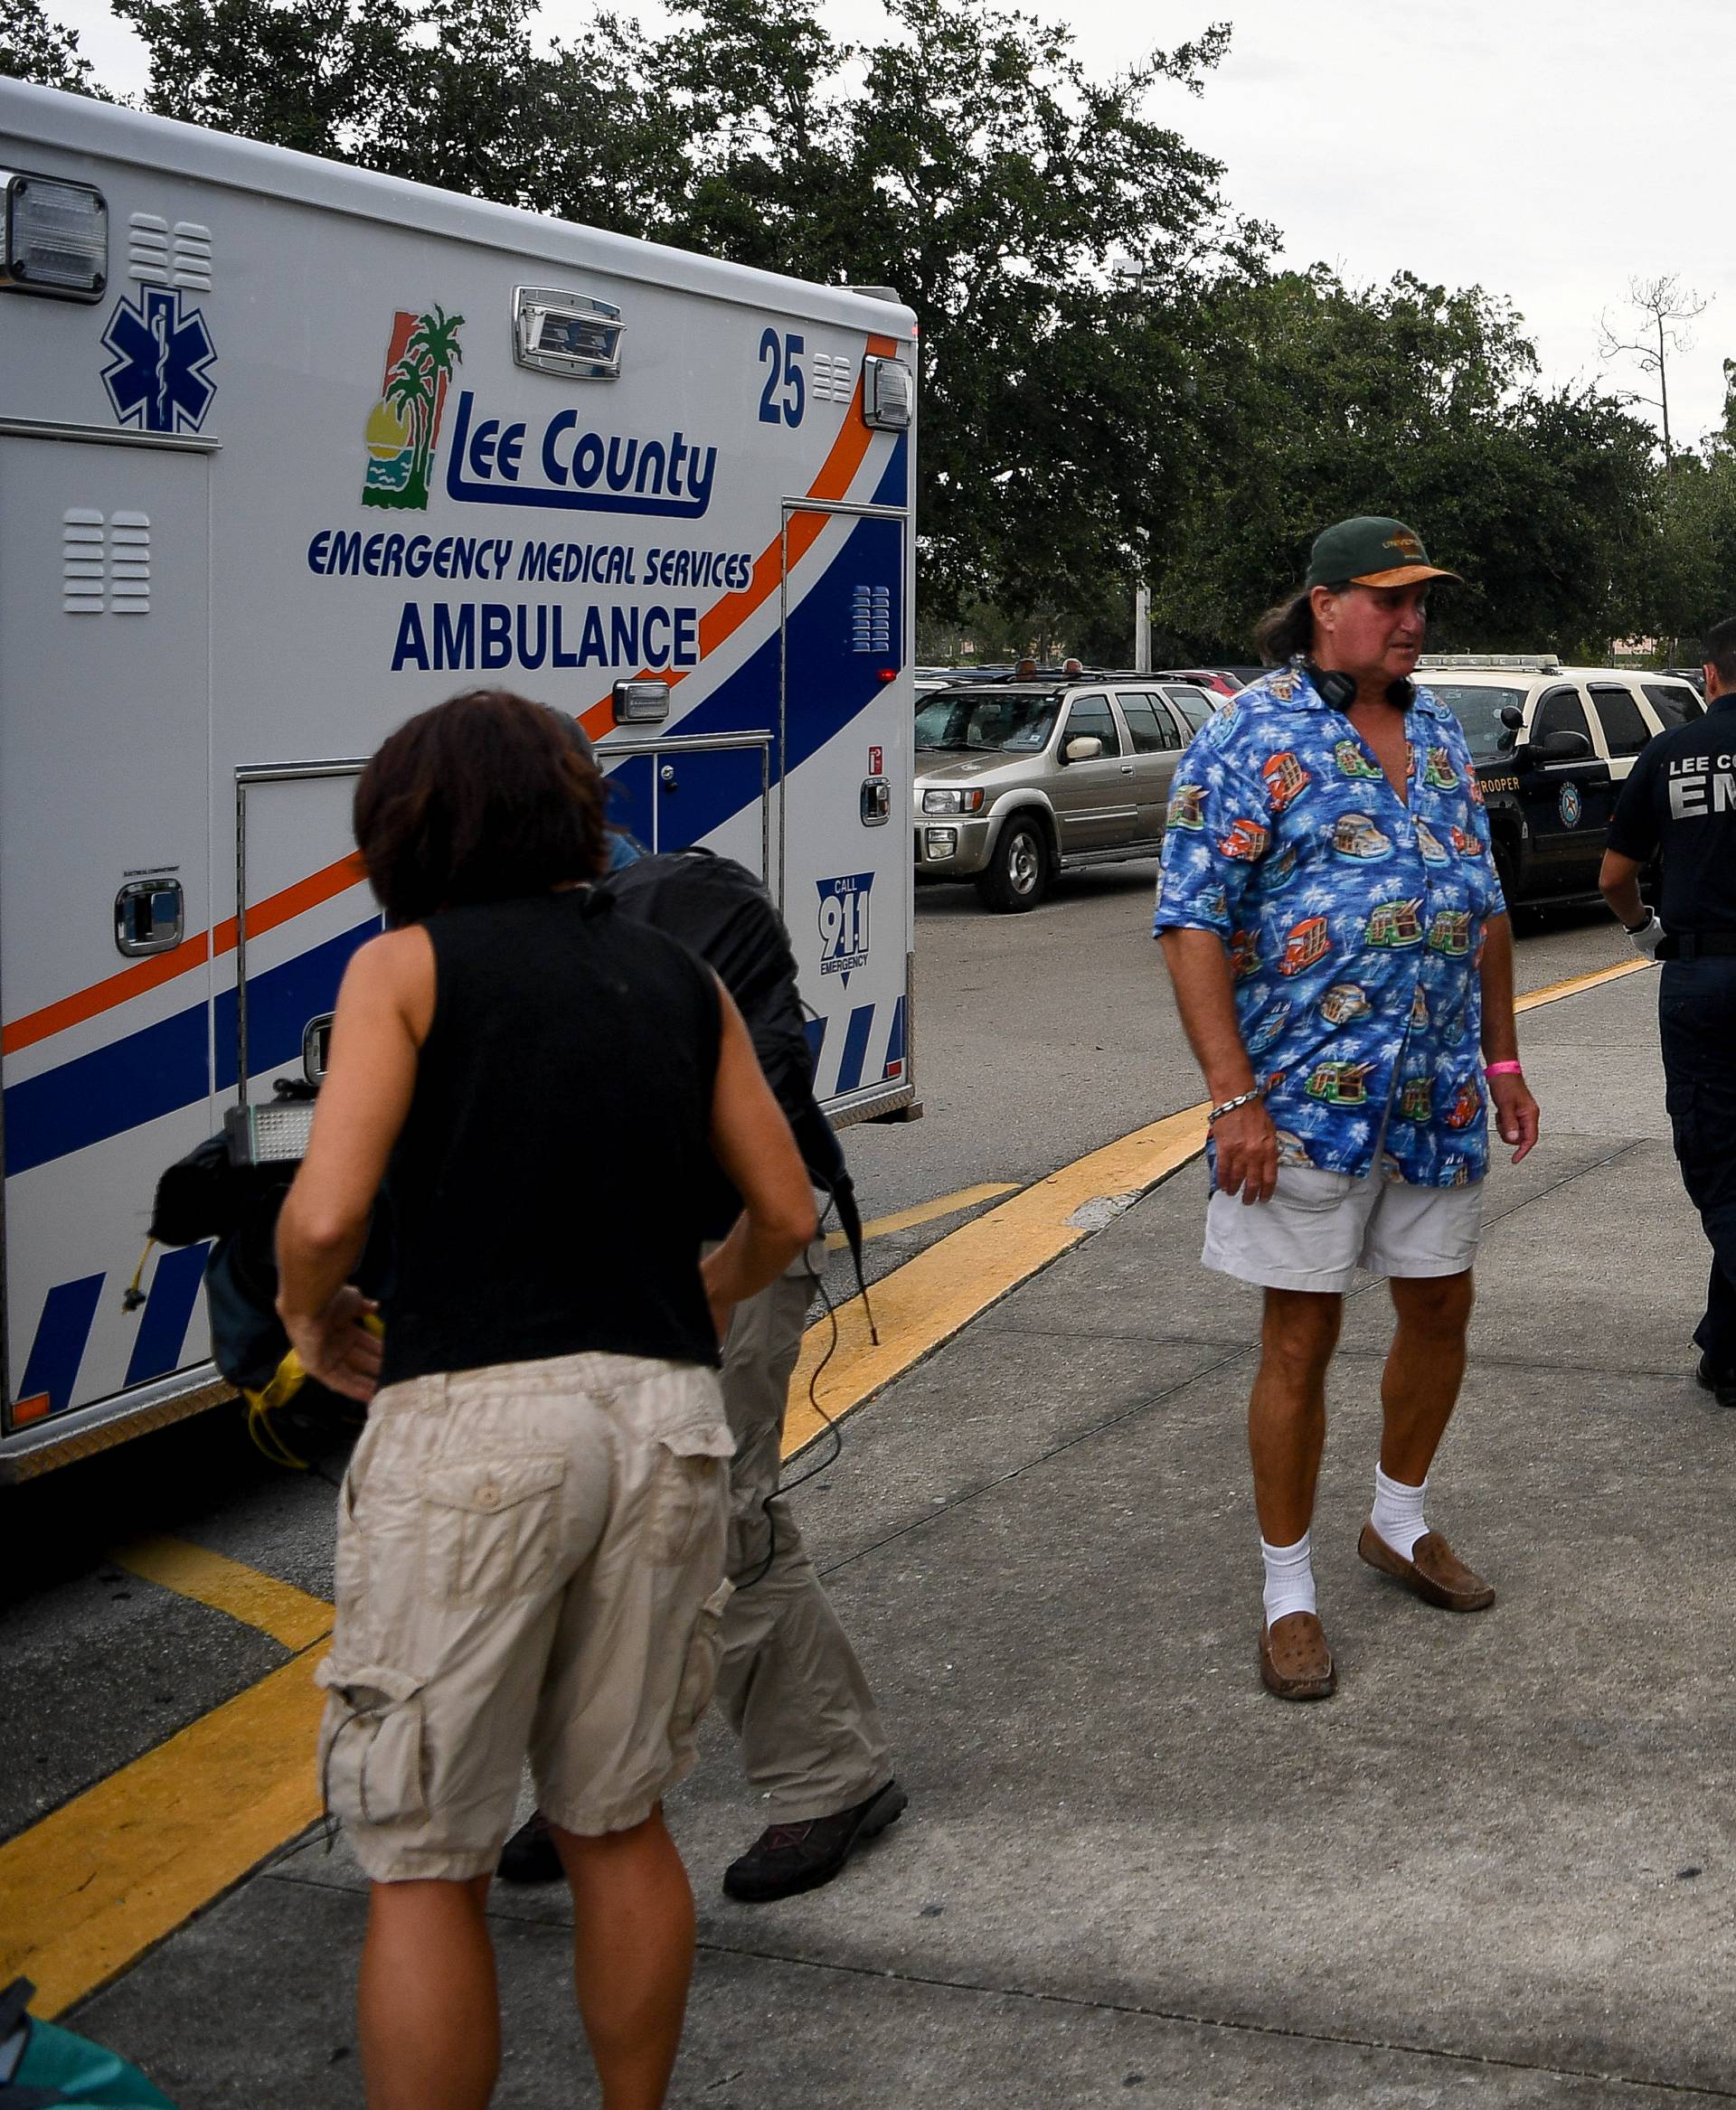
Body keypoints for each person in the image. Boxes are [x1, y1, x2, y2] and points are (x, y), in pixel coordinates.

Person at [275, 690, 816, 2110]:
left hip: (477, 1424)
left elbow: (327, 1215)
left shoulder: (402, 970)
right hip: (662, 1421)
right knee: (619, 1819)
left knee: (426, 1850)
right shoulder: (677, 978)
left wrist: (302, 1308)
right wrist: (692, 1301)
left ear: (412, 824)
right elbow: (784, 1210)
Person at [1153, 516, 1540, 1701]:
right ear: (1325, 604)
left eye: (1423, 601)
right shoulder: (1246, 736)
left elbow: (1482, 908)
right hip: (1301, 1104)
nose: (1414, 621)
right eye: (1390, 600)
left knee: (1441, 1304)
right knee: (1299, 1336)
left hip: (1431, 1094)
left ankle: (1399, 1518)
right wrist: (1232, 1098)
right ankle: (1288, 1593)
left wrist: (1505, 1060)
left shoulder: (1434, 731)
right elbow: (1191, 923)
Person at [498, 833, 906, 1902]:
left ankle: (834, 1779)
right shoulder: (519, 937)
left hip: (723, 1250)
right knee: (590, 1524)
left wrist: (714, 1281)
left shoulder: (666, 911)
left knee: (724, 1518)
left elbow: (758, 1139)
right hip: (613, 1262)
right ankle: (593, 1785)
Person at [1599, 616, 1736, 1408]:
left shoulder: (1670, 753)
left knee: (1718, 1160)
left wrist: (1647, 934)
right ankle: (1728, 1350)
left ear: (1709, 677)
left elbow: (1616, 875)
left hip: (1700, 976)